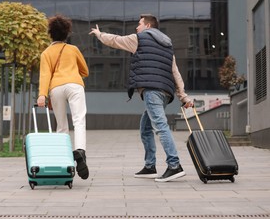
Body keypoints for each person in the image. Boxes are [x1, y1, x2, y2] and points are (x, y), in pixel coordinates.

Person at [89, 14, 193, 182]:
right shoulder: (167, 45)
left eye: (139, 24)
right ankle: (150, 166)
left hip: (152, 91)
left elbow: (116, 40)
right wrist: (184, 97)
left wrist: (100, 34)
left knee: (160, 126)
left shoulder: (140, 38)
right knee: (146, 126)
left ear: (148, 26)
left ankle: (174, 165)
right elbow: (175, 72)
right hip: (165, 93)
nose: (136, 27)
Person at [37, 14, 90, 180]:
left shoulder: (46, 53)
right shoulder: (73, 50)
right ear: (66, 33)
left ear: (50, 34)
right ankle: (80, 151)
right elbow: (85, 71)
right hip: (74, 84)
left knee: (61, 125)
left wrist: (42, 95)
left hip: (56, 88)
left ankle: (65, 160)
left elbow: (45, 75)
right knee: (79, 120)